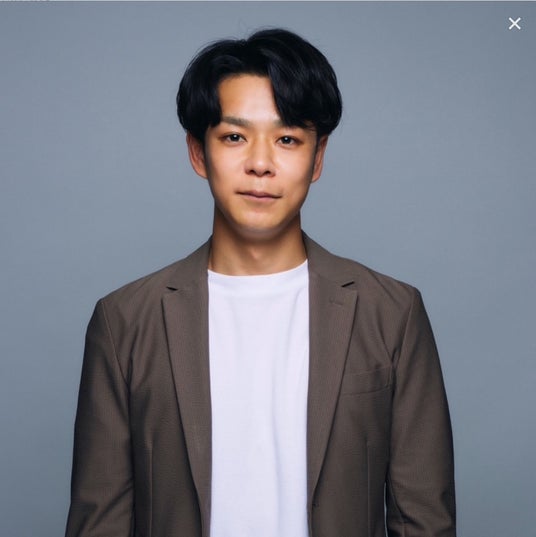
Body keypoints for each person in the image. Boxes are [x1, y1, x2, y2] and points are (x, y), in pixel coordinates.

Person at [65, 28, 455, 537]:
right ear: (198, 152)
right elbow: (99, 523)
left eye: (287, 139)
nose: (261, 163)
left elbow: (423, 521)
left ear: (318, 158)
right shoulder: (124, 322)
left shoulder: (392, 313)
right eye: (234, 137)